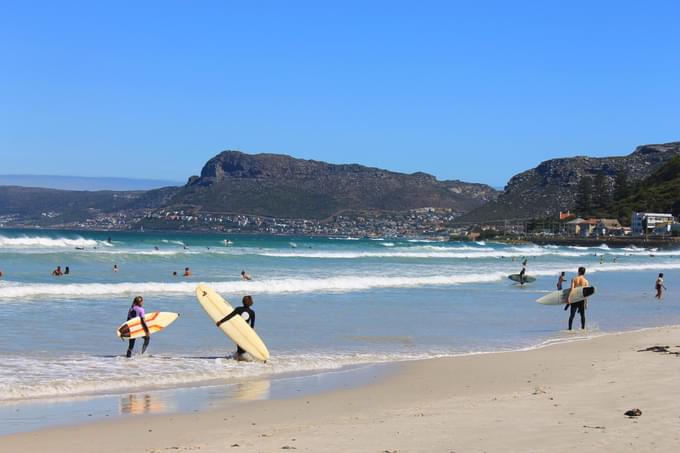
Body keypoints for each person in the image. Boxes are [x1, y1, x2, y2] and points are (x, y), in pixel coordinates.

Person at [216, 295, 256, 361]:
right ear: (251, 303)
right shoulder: (252, 312)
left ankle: (238, 358)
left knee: (239, 346)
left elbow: (229, 316)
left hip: (238, 330)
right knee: (242, 347)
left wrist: (221, 321)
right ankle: (243, 359)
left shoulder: (238, 309)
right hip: (245, 332)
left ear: (243, 302)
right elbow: (252, 327)